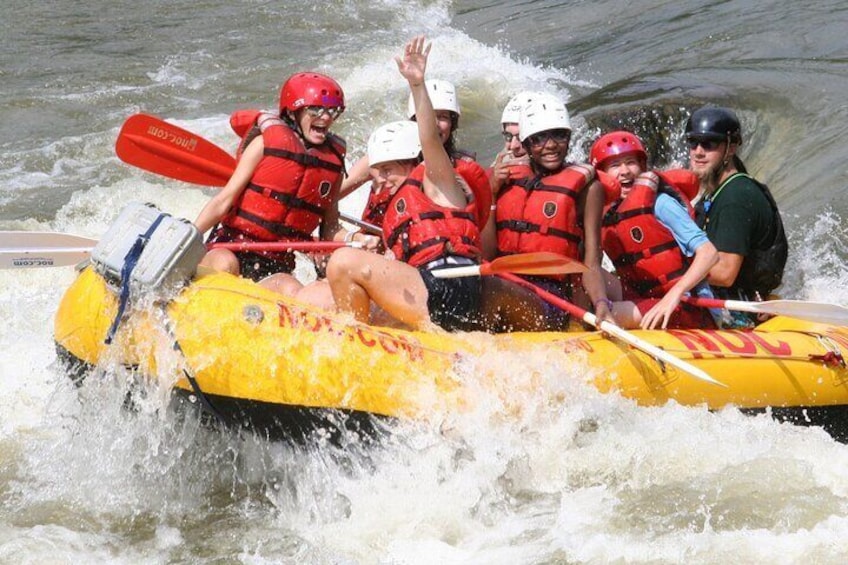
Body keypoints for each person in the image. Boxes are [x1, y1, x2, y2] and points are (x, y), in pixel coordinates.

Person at [326, 36, 488, 331]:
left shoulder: (438, 180)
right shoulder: (397, 206)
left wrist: (416, 84)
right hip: (429, 288)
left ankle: (356, 348)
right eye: (378, 172)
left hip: (450, 287)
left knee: (342, 262)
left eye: (388, 171)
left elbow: (428, 139)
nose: (381, 180)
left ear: (411, 160)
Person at [193, 72, 372, 287]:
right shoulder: (263, 144)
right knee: (225, 264)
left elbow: (330, 228)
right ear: (293, 112)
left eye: (332, 111)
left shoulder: (332, 163)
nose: (326, 117)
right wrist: (191, 236)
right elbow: (224, 201)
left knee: (291, 287)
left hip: (277, 263)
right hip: (230, 247)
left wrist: (357, 240)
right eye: (315, 109)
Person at [481, 93, 617, 328]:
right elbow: (487, 253)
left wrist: (601, 303)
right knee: (477, 285)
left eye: (559, 135)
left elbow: (592, 262)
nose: (551, 145)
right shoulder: (503, 180)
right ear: (525, 144)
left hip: (552, 299)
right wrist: (491, 195)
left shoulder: (589, 189)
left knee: (491, 288)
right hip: (504, 281)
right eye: (539, 138)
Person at [590, 130, 719, 329]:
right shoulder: (603, 215)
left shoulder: (660, 203)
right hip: (644, 298)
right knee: (585, 285)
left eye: (631, 162)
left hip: (685, 306)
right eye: (615, 165)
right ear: (602, 175)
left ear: (642, 167)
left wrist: (672, 296)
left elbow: (709, 254)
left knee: (602, 313)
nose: (624, 171)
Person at [339, 78, 491, 231]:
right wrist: (350, 236)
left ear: (453, 124)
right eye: (428, 117)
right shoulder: (380, 159)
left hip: (424, 248)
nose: (434, 124)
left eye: (443, 117)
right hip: (372, 244)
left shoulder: (461, 168)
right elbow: (330, 198)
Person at [686, 106, 788, 325]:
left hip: (741, 313)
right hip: (725, 300)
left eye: (709, 143)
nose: (698, 151)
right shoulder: (717, 192)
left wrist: (666, 270)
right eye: (693, 142)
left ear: (731, 148)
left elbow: (724, 273)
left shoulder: (736, 197)